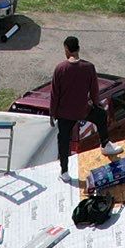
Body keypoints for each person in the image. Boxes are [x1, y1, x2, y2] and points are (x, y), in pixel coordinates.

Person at [47, 36, 99, 180]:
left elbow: (55, 94)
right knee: (101, 117)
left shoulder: (60, 68)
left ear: (66, 49)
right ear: (79, 48)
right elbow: (94, 90)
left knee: (64, 141)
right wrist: (96, 104)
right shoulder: (89, 67)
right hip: (83, 110)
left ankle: (64, 171)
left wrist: (52, 113)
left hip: (65, 114)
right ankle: (106, 143)